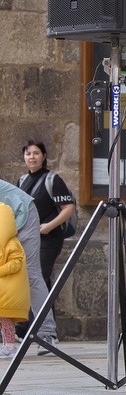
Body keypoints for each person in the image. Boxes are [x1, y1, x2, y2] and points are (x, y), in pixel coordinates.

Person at [0, 179, 59, 354]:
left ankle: (47, 334)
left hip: (23, 215)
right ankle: (8, 340)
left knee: (31, 274)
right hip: (6, 219)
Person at [18, 141, 76, 287]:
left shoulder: (53, 180)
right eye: (28, 154)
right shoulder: (22, 181)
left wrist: (49, 226)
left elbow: (68, 208)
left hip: (48, 239)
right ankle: (47, 303)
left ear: (44, 156)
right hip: (28, 239)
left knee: (35, 280)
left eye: (36, 153)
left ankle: (39, 304)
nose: (32, 157)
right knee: (40, 280)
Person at [0, 202, 30, 356]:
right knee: (3, 320)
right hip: (4, 291)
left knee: (6, 321)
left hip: (8, 292)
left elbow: (16, 262)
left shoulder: (11, 243)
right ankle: (7, 345)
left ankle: (10, 346)